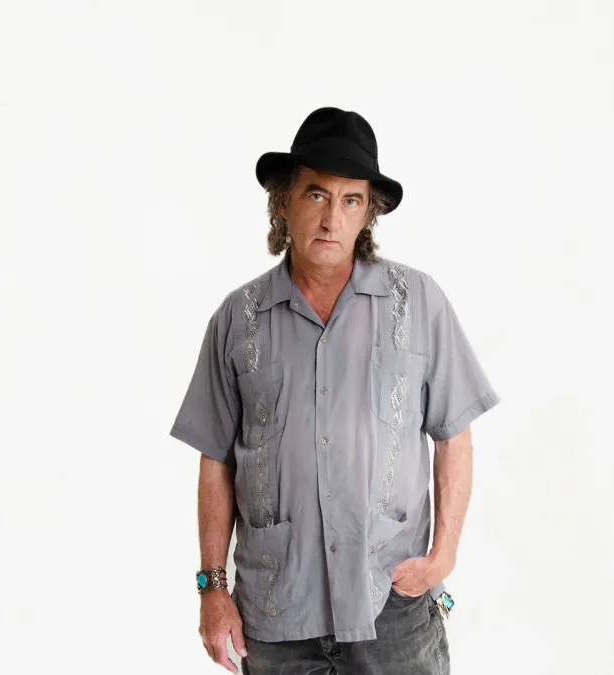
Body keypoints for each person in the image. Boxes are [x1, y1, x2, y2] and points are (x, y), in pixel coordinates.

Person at [170, 107, 500, 675]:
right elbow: (215, 460)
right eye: (317, 194)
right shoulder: (237, 319)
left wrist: (442, 556)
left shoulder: (418, 303)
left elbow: (454, 435)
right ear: (284, 202)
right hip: (276, 613)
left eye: (351, 201)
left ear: (368, 214)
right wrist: (212, 588)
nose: (331, 219)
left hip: (391, 607)